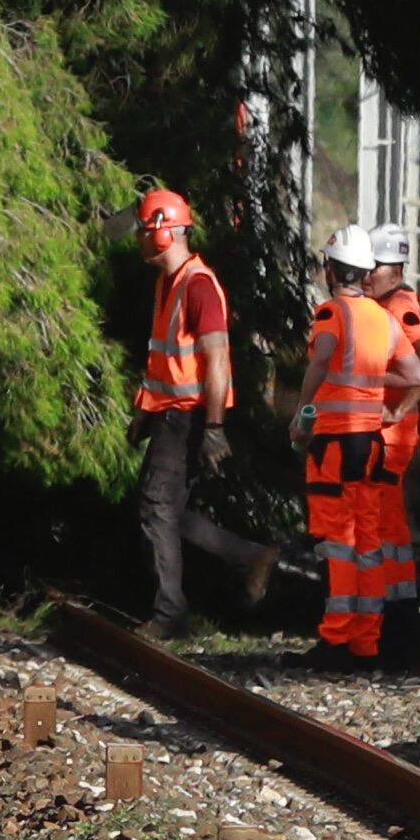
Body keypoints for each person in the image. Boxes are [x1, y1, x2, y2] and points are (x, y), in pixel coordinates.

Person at [126, 189, 277, 636]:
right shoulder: (167, 285)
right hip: (171, 414)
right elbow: (165, 363)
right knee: (166, 508)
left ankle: (170, 614)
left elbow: (217, 361)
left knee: (156, 507)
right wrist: (143, 414)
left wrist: (214, 427)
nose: (138, 238)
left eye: (144, 229)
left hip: (188, 417)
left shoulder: (198, 286)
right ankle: (250, 555)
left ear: (163, 231)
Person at [303, 226, 420, 659]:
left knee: (338, 541)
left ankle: (335, 637)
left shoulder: (331, 314)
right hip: (371, 442)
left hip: (334, 444)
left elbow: (319, 366)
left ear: (330, 268)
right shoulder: (383, 318)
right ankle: (366, 642)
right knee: (367, 541)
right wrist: (375, 386)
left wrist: (303, 413)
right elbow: (416, 375)